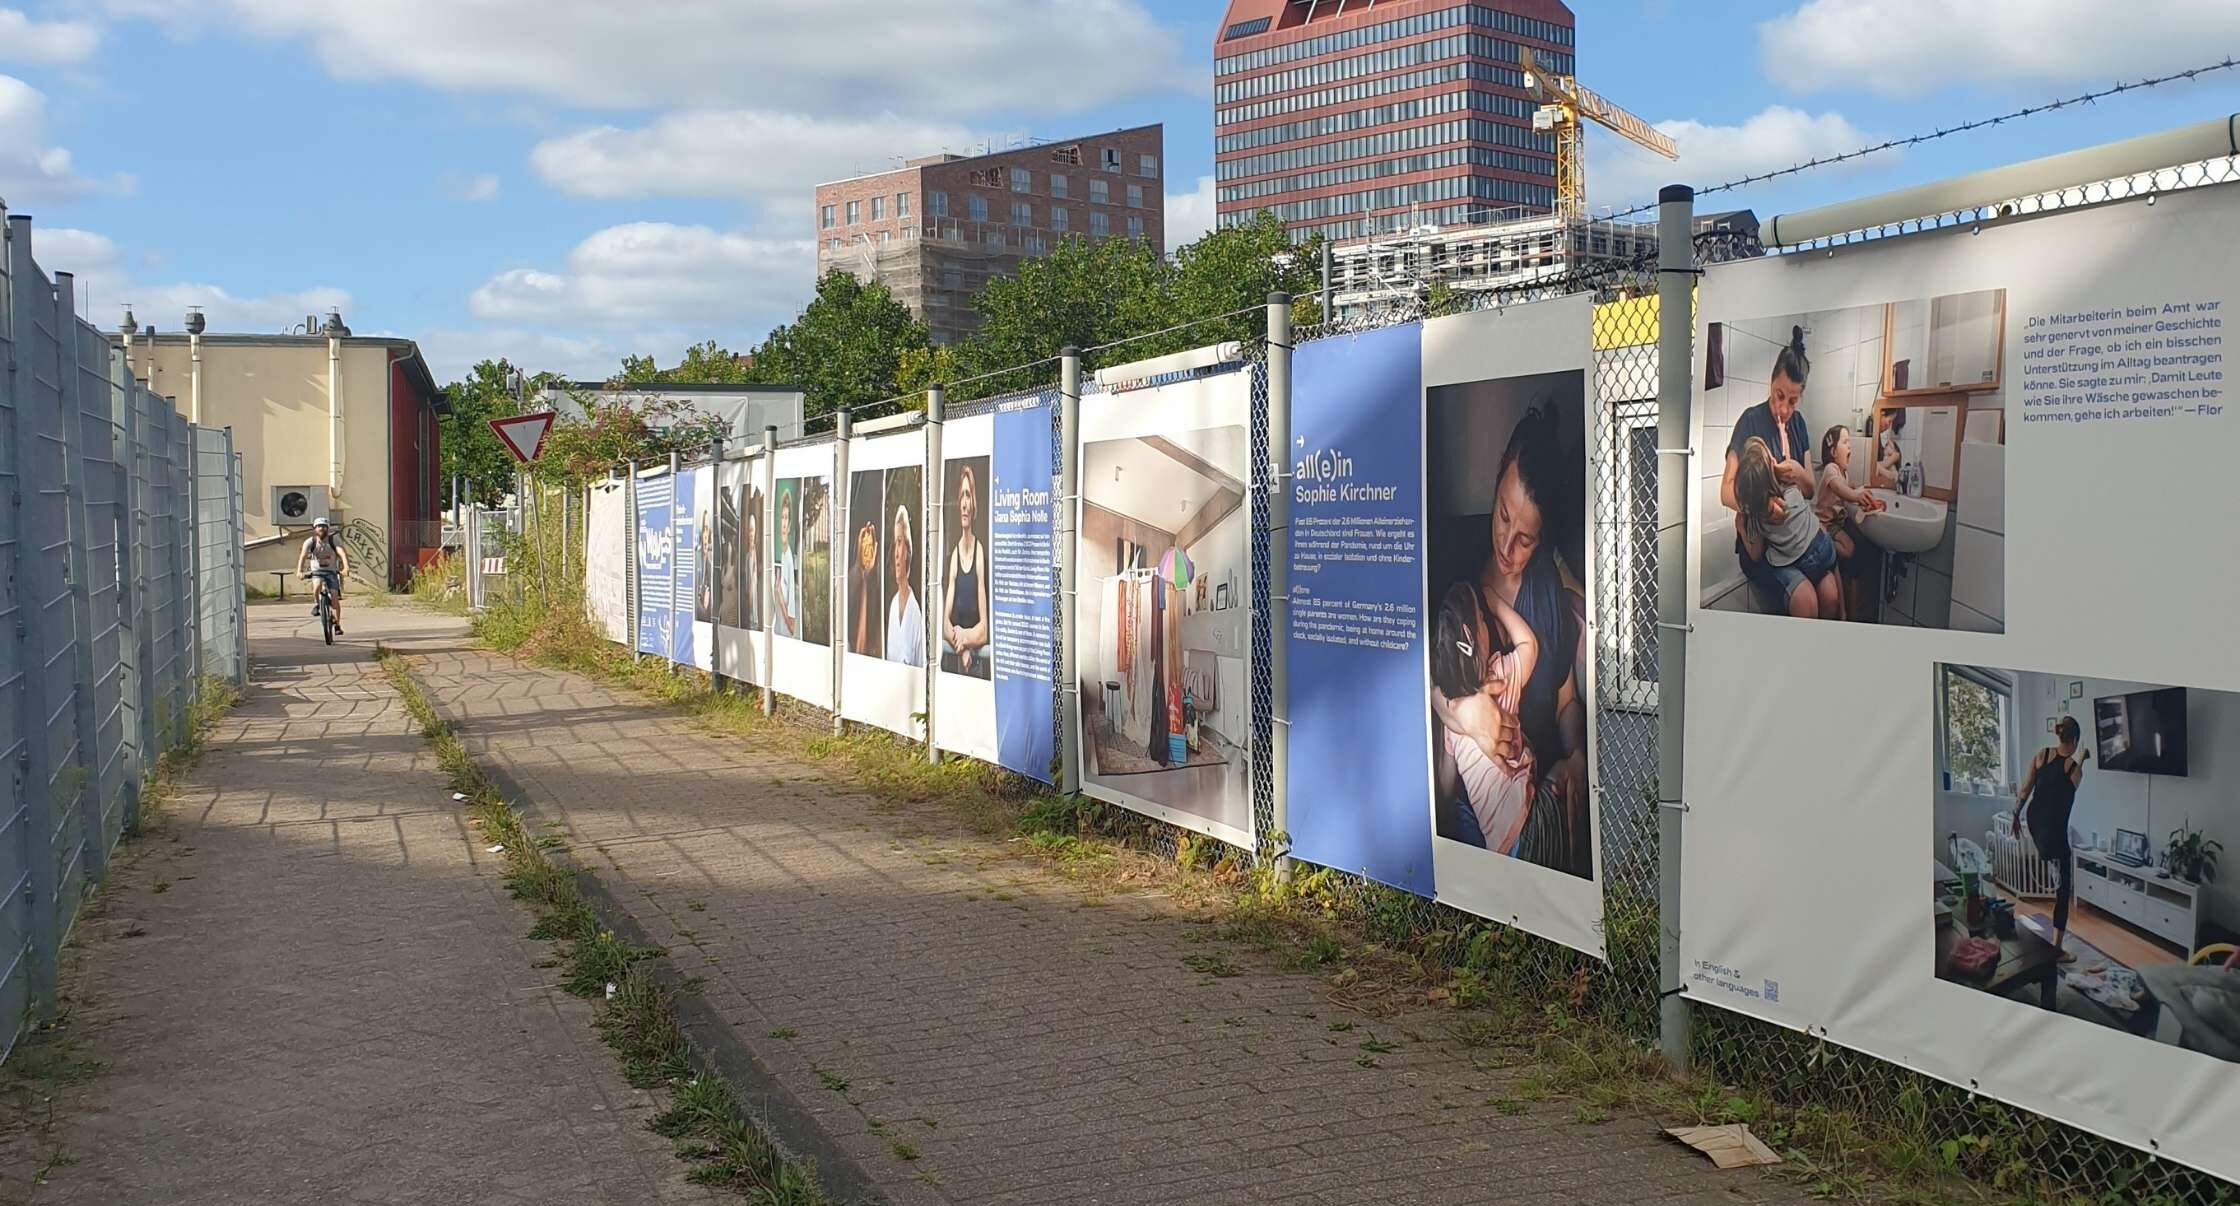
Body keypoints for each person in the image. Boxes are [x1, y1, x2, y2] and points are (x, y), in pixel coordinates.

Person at [1430, 406, 1592, 876]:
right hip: (1472, 816)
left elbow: (1566, 701)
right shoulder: (1451, 562)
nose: (1506, 546)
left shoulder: (1546, 591)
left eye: (1525, 539)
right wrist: (1459, 710)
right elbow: (1412, 664)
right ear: (1499, 473)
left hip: (1534, 804)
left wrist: (1577, 756)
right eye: (1503, 517)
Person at [1429, 579, 1538, 854]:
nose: (1487, 622)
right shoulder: (1499, 675)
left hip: (1497, 842)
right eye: (1482, 618)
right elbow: (1529, 645)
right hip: (1524, 818)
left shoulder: (1451, 721)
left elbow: (1445, 785)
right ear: (1473, 635)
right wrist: (1495, 602)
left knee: (1456, 807)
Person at [1720, 326, 1819, 614]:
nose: (1784, 408)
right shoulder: (1750, 421)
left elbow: (1810, 490)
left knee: (1831, 595)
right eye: (1779, 395)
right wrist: (1761, 507)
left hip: (1792, 538)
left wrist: (1798, 472)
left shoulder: (1799, 425)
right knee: (1806, 601)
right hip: (1760, 545)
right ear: (1770, 382)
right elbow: (1725, 491)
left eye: (1792, 401)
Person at [1734, 436, 1841, 620]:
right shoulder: (1784, 488)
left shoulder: (1759, 510)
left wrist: (1741, 528)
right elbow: (1756, 555)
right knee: (1819, 599)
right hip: (1815, 551)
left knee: (1829, 597)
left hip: (1800, 556)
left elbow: (1756, 554)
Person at [2014, 717, 2089, 964]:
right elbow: (2069, 787)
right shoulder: (2074, 769)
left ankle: (2049, 860)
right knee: (2063, 887)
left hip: (2034, 821)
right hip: (2053, 831)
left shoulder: (2042, 755)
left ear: (2058, 735)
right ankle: (2057, 950)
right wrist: (2082, 760)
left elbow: (2025, 788)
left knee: (2052, 859)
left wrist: (2015, 815)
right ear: (2075, 740)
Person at [942, 465, 992, 678]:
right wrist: (962, 649)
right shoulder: (954, 557)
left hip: (976, 665)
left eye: (968, 495)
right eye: (961, 496)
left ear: (974, 504)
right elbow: (945, 623)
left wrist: (964, 637)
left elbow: (984, 630)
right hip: (958, 660)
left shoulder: (980, 553)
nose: (964, 503)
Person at [884, 505, 926, 667]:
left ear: (908, 549)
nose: (896, 553)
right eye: (895, 543)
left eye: (900, 542)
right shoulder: (893, 605)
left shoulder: (916, 614)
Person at [295, 517, 350, 634]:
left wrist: (346, 567)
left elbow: (342, 553)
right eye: (319, 526)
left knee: (334, 597)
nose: (321, 529)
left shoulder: (333, 540)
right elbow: (303, 556)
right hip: (317, 571)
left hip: (331, 572)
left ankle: (337, 625)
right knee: (317, 587)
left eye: (324, 526)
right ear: (315, 529)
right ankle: (317, 604)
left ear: (328, 528)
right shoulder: (310, 541)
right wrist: (299, 571)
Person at [771, 488, 800, 639]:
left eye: (786, 518)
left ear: (789, 526)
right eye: (782, 517)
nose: (783, 523)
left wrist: (779, 594)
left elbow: (792, 627)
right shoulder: (782, 555)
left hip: (786, 639)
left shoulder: (788, 558)